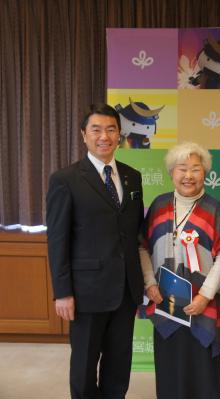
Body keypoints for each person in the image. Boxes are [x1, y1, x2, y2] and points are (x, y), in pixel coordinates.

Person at [46, 103, 144, 399]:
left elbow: (135, 231)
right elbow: (58, 240)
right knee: (85, 365)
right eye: (96, 130)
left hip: (125, 290)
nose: (104, 136)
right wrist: (62, 292)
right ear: (84, 135)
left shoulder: (132, 176)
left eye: (111, 129)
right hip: (86, 292)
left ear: (119, 135)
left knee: (119, 366)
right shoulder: (66, 180)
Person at [140, 142, 220, 399]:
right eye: (182, 169)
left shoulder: (216, 210)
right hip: (164, 300)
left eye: (195, 169)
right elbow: (141, 247)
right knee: (170, 363)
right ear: (172, 172)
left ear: (205, 173)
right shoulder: (158, 206)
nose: (188, 176)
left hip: (202, 303)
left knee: (202, 365)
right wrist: (149, 283)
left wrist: (205, 296)